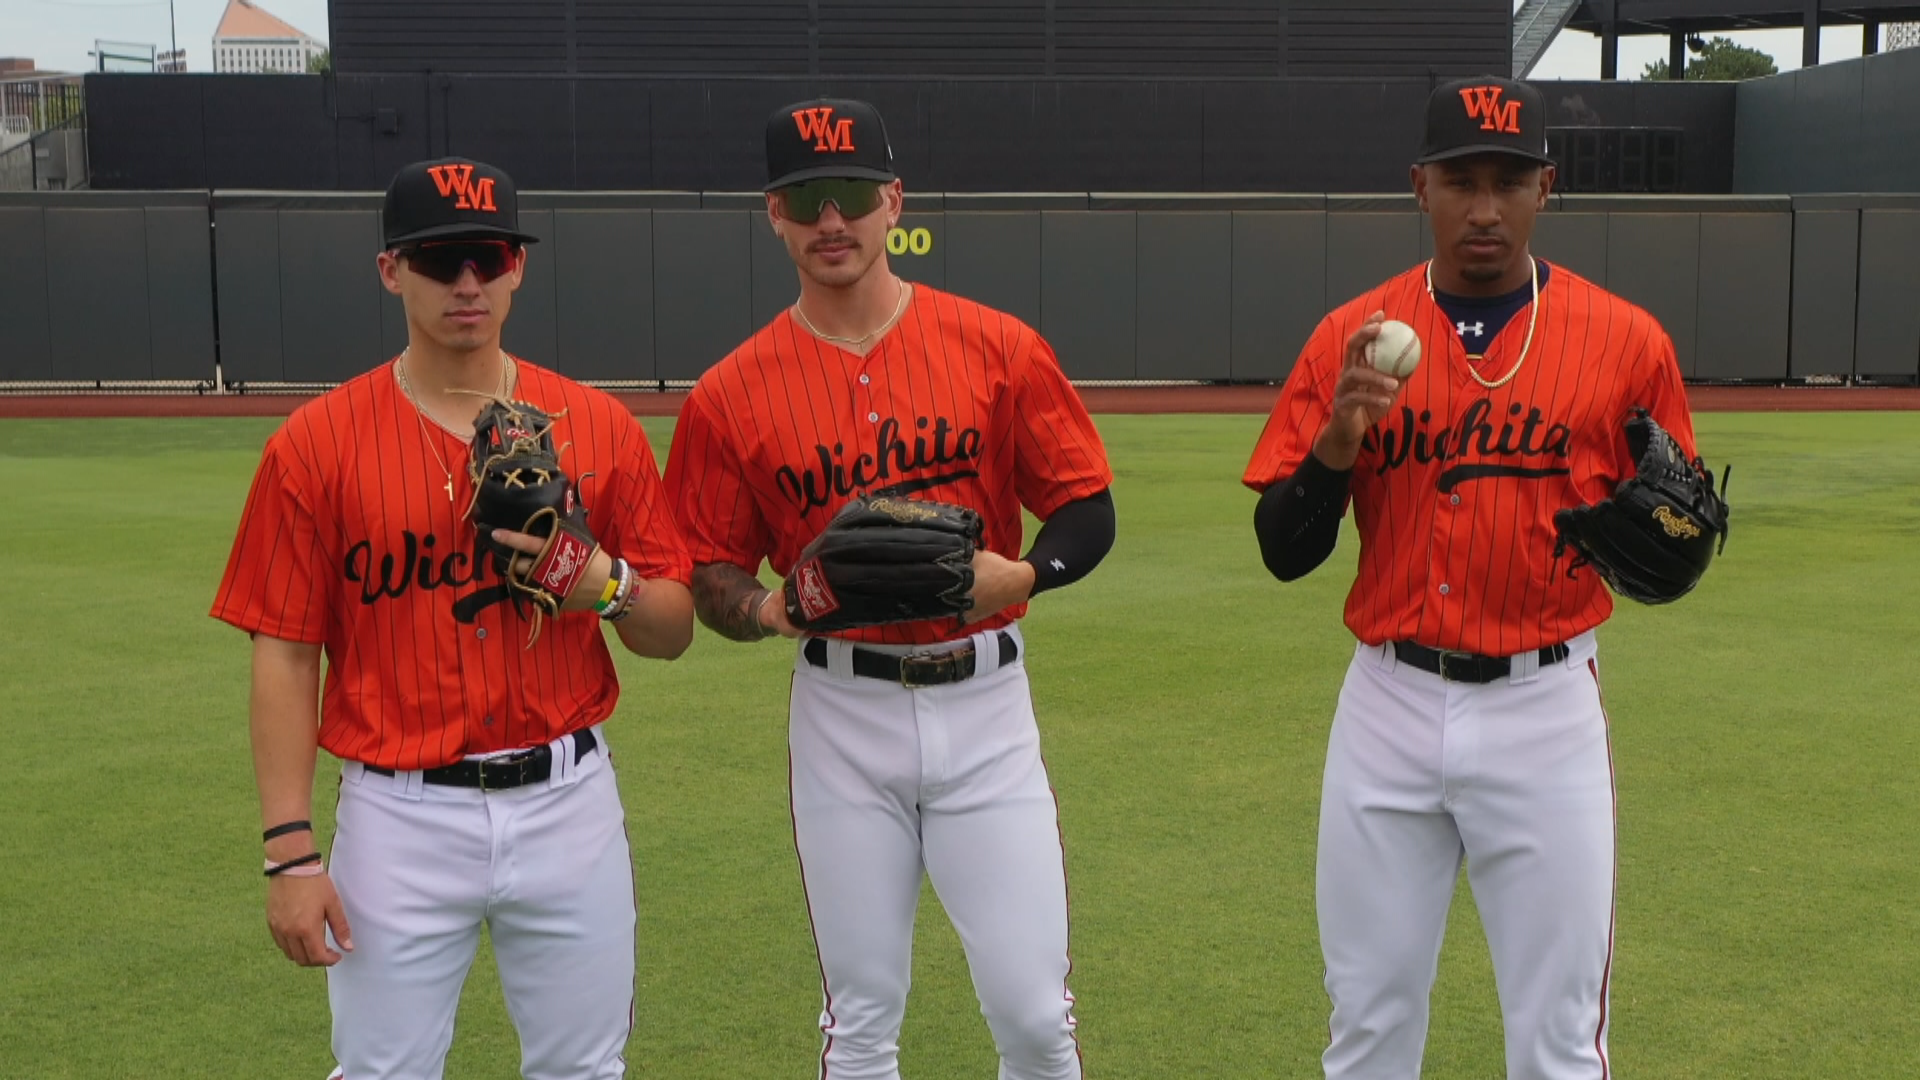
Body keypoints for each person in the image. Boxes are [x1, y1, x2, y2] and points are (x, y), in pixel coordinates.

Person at [1243, 76, 1709, 1079]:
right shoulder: (1348, 338)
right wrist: (1336, 444)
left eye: (1509, 181)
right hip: (1388, 707)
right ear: (1420, 186)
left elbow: (1677, 532)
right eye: (1461, 181)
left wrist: (1670, 545)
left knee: (1559, 1043)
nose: (1484, 208)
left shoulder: (1628, 343)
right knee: (1367, 1027)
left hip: (1545, 709)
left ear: (1550, 186)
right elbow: (1285, 549)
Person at [210, 156, 694, 1080]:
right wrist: (288, 853)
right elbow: (283, 652)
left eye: (488, 256)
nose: (467, 283)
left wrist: (604, 582)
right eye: (440, 260)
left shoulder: (597, 426)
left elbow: (670, 627)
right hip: (399, 816)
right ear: (391, 269)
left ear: (518, 266)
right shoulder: (315, 444)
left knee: (586, 1071)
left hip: (568, 804)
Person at [662, 97, 1117, 1080]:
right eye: (807, 199)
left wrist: (1027, 572)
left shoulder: (998, 347)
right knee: (862, 1018)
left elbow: (1087, 509)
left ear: (893, 202)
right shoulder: (729, 394)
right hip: (844, 715)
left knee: (1037, 1015)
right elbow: (706, 565)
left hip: (988, 708)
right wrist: (766, 608)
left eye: (853, 196)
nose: (832, 220)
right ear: (773, 214)